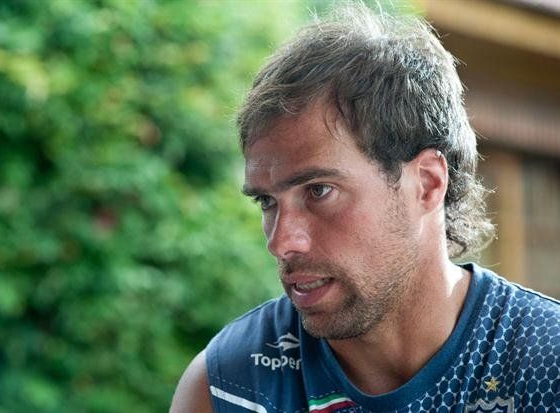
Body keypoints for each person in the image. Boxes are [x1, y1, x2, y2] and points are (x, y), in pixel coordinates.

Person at [171, 4, 560, 412]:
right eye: (267, 202)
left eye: (318, 190)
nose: (281, 241)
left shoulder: (545, 368)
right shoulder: (231, 388)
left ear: (427, 183)